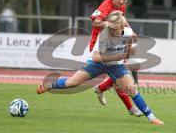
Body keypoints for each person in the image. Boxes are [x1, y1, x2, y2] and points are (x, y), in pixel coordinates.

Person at [36, 12, 164, 125]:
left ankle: (152, 118)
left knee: (131, 89)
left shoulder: (128, 33)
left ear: (121, 27)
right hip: (97, 63)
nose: (112, 31)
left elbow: (131, 49)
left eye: (115, 29)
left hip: (116, 65)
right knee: (72, 83)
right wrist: (117, 55)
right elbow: (97, 57)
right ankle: (49, 85)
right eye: (111, 28)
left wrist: (129, 48)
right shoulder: (104, 36)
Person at [89, 0, 141, 116]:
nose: (122, 2)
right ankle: (101, 89)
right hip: (99, 45)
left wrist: (131, 31)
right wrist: (110, 24)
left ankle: (102, 90)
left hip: (114, 44)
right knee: (119, 76)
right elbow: (95, 22)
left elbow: (122, 20)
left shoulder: (121, 7)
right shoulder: (106, 5)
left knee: (119, 77)